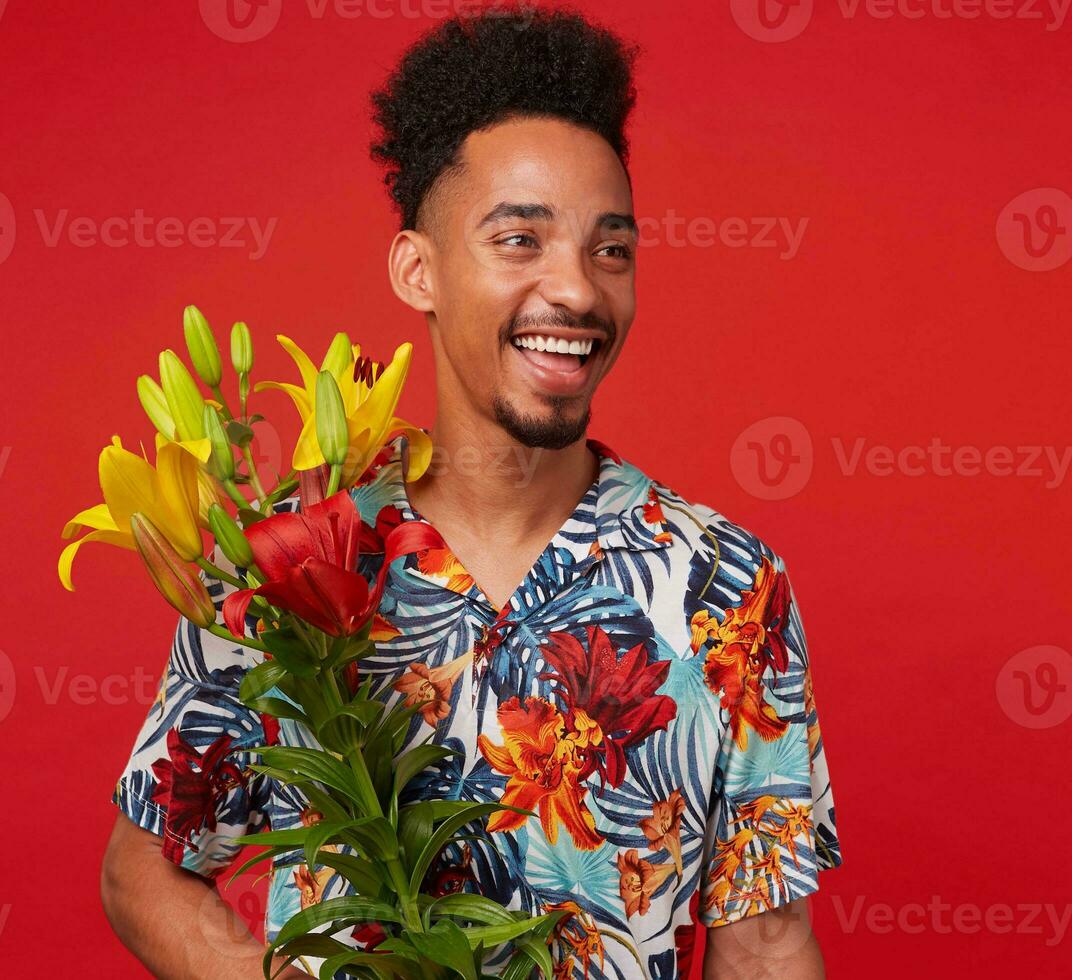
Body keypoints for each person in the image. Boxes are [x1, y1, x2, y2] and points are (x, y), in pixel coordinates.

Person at [99, 8, 840, 978]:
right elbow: (143, 864)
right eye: (519, 239)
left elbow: (767, 943)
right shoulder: (285, 561)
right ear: (419, 269)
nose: (577, 289)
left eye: (610, 248)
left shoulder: (727, 586)